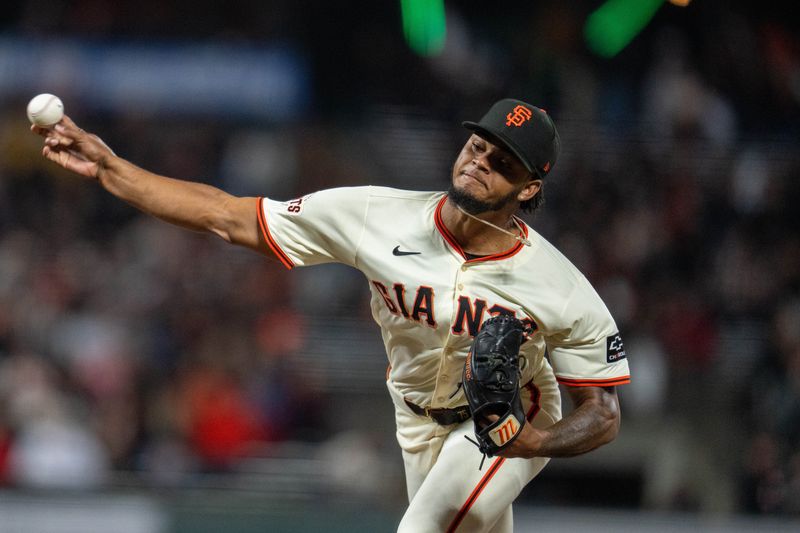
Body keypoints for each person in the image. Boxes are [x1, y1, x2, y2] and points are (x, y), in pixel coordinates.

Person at [33, 98, 630, 532]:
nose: (480, 162)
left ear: (530, 187)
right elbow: (227, 215)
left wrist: (535, 441)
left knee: (426, 527)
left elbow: (602, 410)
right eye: (478, 146)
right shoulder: (376, 215)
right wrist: (112, 167)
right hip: (415, 417)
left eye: (503, 162)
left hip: (506, 413)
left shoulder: (559, 284)